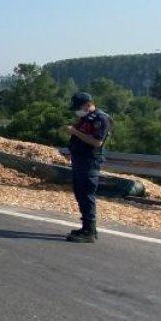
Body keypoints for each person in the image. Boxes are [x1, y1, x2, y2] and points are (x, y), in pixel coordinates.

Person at [63, 92, 111, 243]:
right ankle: (87, 227)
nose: (77, 110)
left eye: (79, 107)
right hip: (80, 159)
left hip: (90, 161)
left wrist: (75, 132)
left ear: (87, 104)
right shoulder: (86, 118)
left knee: (86, 194)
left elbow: (97, 142)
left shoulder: (100, 119)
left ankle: (89, 231)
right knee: (80, 193)